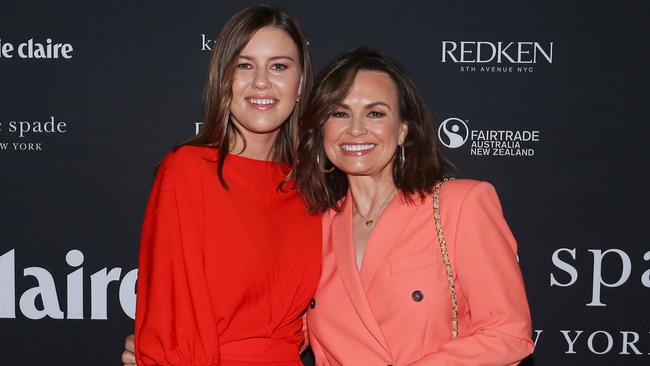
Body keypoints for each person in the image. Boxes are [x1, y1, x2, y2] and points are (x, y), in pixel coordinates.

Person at [294, 48, 534, 365]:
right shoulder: (314, 225)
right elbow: (283, 336)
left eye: (375, 113)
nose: (355, 129)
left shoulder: (459, 205)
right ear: (322, 128)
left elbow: (508, 334)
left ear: (403, 130)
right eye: (339, 113)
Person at [126, 5, 321, 366]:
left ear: (300, 83)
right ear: (223, 79)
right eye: (244, 65)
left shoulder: (312, 186)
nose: (261, 81)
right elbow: (173, 323)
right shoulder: (187, 172)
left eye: (279, 66)